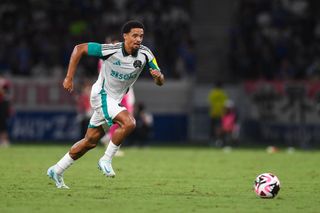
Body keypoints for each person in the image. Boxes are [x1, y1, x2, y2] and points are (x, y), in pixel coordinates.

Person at [47, 20, 165, 189]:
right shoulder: (111, 50)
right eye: (134, 35)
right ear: (125, 36)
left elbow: (160, 80)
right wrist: (69, 77)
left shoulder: (146, 54)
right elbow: (79, 48)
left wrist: (158, 77)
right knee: (129, 122)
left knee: (90, 141)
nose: (138, 39)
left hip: (113, 101)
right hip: (101, 95)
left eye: (141, 36)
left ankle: (57, 170)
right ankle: (106, 159)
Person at [207, 81, 229, 147]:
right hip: (222, 113)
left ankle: (212, 141)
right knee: (222, 128)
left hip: (213, 113)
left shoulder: (213, 93)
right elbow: (226, 104)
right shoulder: (223, 93)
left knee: (212, 128)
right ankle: (221, 141)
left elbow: (210, 103)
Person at [0, 73, 11, 147]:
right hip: (3, 103)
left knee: (2, 123)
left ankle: (5, 141)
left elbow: (5, 92)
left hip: (2, 104)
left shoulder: (4, 82)